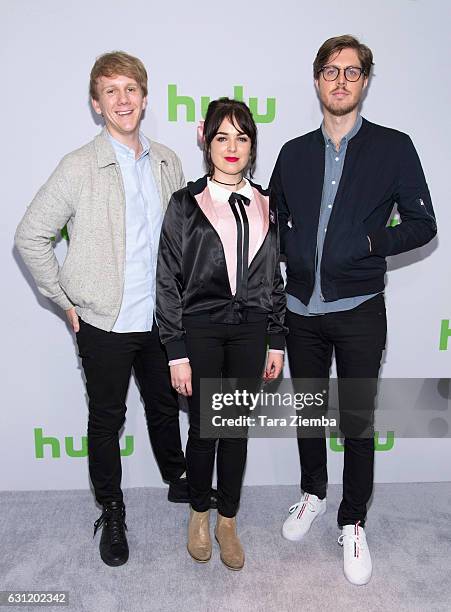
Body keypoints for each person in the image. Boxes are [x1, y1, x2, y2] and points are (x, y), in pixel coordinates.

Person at [15, 51, 193, 567]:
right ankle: (112, 511)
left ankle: (177, 477)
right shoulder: (77, 166)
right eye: (110, 91)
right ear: (96, 104)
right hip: (105, 323)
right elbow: (30, 237)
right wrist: (66, 302)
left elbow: (181, 238)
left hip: (161, 321)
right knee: (106, 420)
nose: (122, 99)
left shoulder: (167, 161)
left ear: (144, 96)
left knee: (166, 406)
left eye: (131, 89)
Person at [270, 35, 436, 585]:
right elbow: (273, 225)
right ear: (316, 79)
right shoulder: (293, 152)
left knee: (357, 421)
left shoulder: (394, 147)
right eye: (330, 71)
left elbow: (422, 224)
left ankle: (354, 520)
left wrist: (368, 243)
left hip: (360, 307)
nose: (340, 81)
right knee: (311, 414)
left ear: (365, 81)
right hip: (300, 310)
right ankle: (313, 493)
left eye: (352, 72)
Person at [156, 98, 286, 570]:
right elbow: (167, 279)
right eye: (222, 137)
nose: (232, 148)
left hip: (251, 330)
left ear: (253, 145)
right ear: (206, 141)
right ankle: (198, 512)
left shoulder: (268, 202)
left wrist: (276, 337)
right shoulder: (185, 205)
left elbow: (273, 278)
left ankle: (227, 519)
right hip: (202, 329)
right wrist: (175, 350)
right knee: (206, 428)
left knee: (235, 429)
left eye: (242, 137)